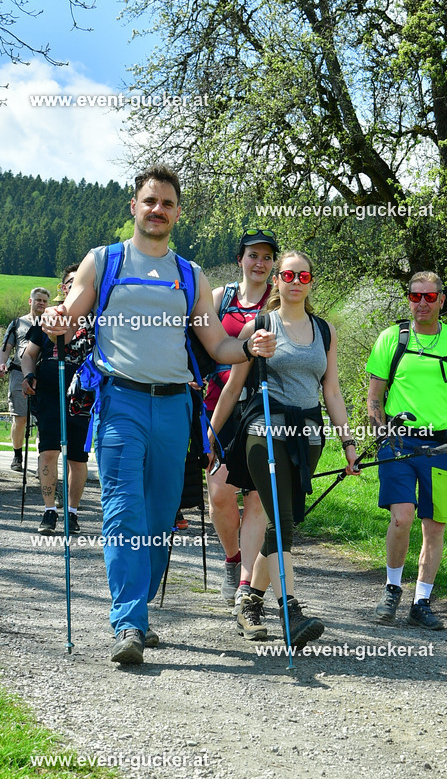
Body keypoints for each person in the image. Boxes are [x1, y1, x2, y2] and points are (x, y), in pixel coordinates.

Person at [40, 165, 275, 666]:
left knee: (162, 517)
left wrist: (251, 346)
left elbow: (216, 343)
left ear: (177, 213)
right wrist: (56, 318)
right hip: (120, 402)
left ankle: (137, 604)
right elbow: (71, 315)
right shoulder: (104, 261)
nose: (157, 210)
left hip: (175, 407)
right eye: (149, 201)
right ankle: (129, 621)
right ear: (134, 206)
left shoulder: (190, 275)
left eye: (167, 203)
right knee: (124, 511)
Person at [208, 250, 358, 648]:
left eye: (303, 276)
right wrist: (211, 434)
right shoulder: (259, 326)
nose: (295, 281)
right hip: (264, 430)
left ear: (311, 282)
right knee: (282, 518)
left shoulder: (324, 331)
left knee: (284, 521)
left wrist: (348, 442)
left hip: (307, 434)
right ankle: (290, 611)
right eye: (287, 274)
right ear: (276, 280)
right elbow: (233, 386)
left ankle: (249, 602)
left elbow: (332, 390)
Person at [366, 270, 447, 630]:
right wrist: (380, 433)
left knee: (434, 526)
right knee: (402, 517)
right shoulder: (392, 338)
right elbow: (375, 397)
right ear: (408, 298)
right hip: (400, 442)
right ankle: (392, 589)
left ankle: (422, 601)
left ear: (442, 300)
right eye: (415, 296)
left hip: (442, 445)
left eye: (429, 297)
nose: (422, 303)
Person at [206, 228, 277, 612]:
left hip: (261, 410)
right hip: (220, 403)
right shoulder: (221, 298)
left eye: (267, 257)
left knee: (255, 500)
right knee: (218, 494)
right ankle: (232, 559)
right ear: (240, 259)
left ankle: (246, 587)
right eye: (253, 255)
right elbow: (201, 344)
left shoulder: (279, 301)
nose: (260, 263)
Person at [21, 266, 90, 535]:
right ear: (63, 288)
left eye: (81, 282)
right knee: (48, 452)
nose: (76, 286)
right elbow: (28, 355)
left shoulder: (94, 320)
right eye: (71, 282)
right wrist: (28, 375)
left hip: (83, 398)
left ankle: (71, 512)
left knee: (77, 458)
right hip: (49, 394)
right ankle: (50, 510)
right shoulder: (47, 319)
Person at [0, 287, 49, 470]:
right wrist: (1, 364)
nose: (41, 303)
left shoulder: (52, 323)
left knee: (42, 420)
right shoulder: (17, 323)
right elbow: (6, 348)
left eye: (44, 301)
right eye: (38, 300)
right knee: (20, 419)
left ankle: (42, 460)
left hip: (43, 376)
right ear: (31, 301)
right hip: (18, 374)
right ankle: (17, 455)